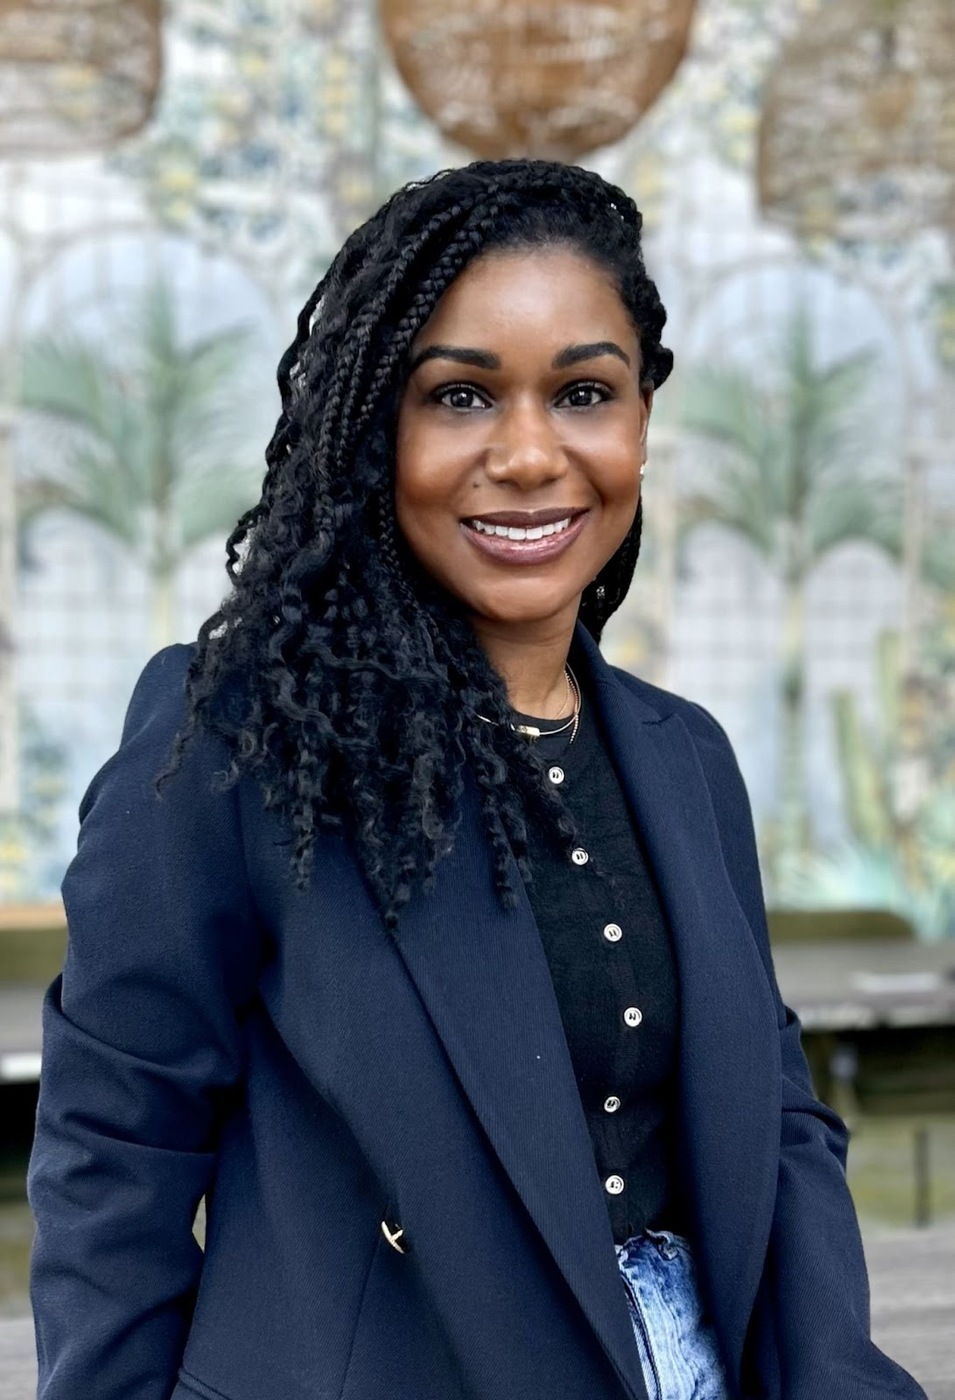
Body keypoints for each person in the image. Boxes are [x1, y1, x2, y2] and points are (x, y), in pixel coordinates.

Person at [28, 159, 925, 1400]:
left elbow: (775, 1120)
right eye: (459, 395)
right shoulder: (238, 740)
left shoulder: (685, 755)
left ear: (642, 419)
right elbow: (114, 1139)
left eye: (583, 392)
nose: (529, 453)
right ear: (373, 431)